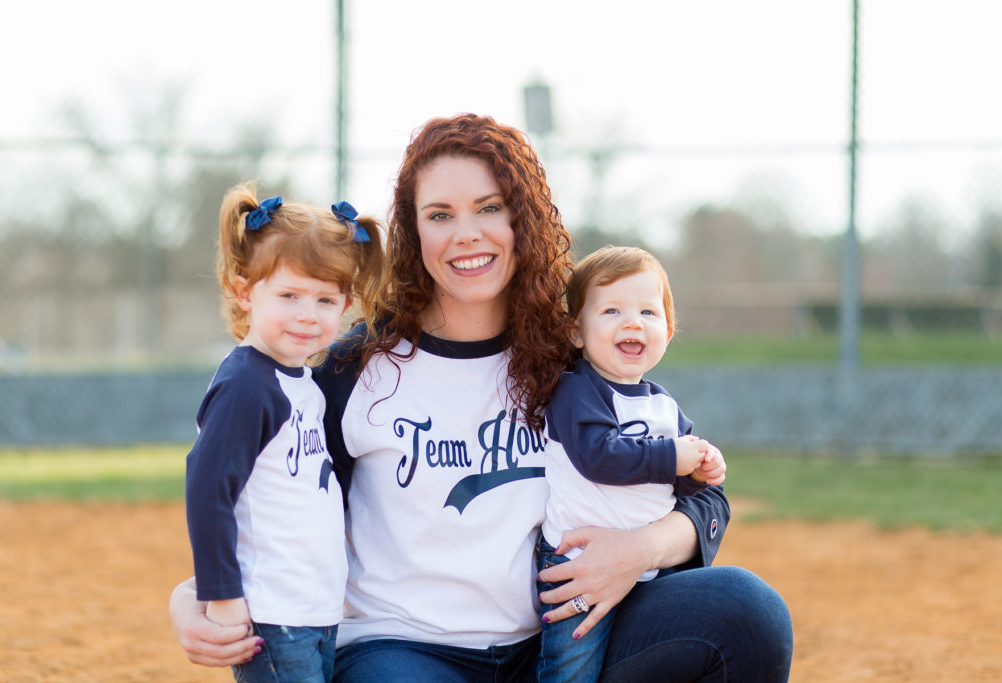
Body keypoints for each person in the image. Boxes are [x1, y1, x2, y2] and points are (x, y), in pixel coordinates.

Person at [170, 113, 794, 682]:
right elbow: (262, 491)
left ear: (521, 219)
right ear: (413, 232)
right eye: (439, 214)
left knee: (746, 613)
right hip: (401, 651)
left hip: (554, 646)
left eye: (488, 208)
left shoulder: (568, 356)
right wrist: (193, 595)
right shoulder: (355, 366)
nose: (465, 234)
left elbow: (704, 496)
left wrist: (639, 551)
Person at [183, 181, 384, 682]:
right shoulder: (246, 384)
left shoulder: (304, 385)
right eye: (289, 294)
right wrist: (222, 597)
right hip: (272, 615)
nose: (306, 314)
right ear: (244, 291)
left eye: (324, 299)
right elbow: (208, 492)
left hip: (312, 609)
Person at [536, 246, 727, 682]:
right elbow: (598, 456)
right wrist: (672, 458)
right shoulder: (577, 390)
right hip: (577, 565)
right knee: (572, 669)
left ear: (668, 330)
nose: (633, 322)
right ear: (576, 333)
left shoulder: (663, 405)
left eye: (648, 311)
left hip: (650, 571)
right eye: (611, 311)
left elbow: (679, 486)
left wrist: (698, 473)